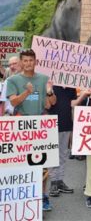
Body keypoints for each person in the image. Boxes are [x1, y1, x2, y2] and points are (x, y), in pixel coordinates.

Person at [6, 49, 56, 211]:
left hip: (40, 124)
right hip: (21, 124)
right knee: (21, 164)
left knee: (42, 164)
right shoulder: (13, 80)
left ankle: (43, 197)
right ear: (21, 62)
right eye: (25, 60)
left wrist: (49, 91)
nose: (28, 63)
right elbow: (13, 103)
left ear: (36, 61)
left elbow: (51, 103)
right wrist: (27, 92)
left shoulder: (43, 79)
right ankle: (23, 198)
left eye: (31, 60)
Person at [48, 85, 81, 197]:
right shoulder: (52, 86)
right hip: (52, 124)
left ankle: (59, 181)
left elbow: (72, 104)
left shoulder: (71, 87)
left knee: (63, 154)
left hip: (66, 124)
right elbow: (49, 104)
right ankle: (53, 181)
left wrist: (84, 94)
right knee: (53, 155)